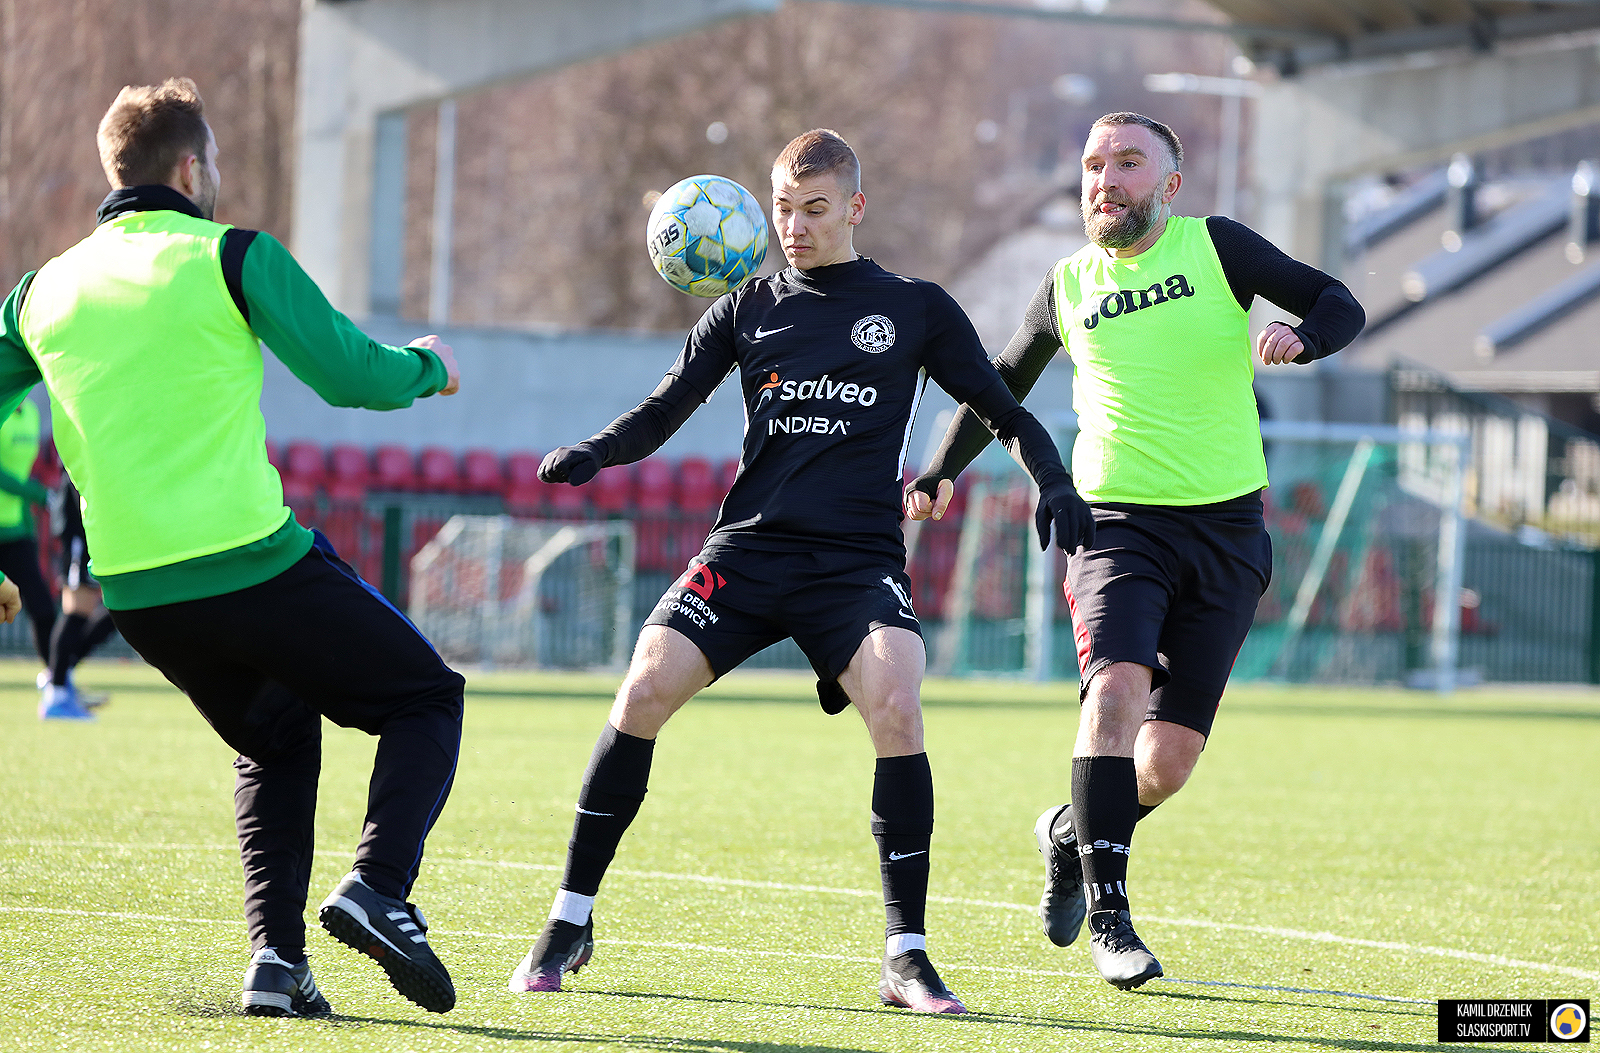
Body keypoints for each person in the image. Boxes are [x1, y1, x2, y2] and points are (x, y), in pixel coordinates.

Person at [510, 128, 1092, 1014]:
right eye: (783, 207)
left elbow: (1001, 408)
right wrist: (597, 451)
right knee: (640, 690)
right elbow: (666, 406)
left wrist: (1053, 477)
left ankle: (907, 955)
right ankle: (568, 919)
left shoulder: (914, 306)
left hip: (854, 562)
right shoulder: (746, 306)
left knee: (898, 696)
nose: (795, 226)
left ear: (854, 207)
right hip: (747, 551)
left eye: (814, 209)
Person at [0, 78, 468, 1016]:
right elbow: (350, 376)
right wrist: (428, 368)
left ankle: (278, 963)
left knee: (277, 737)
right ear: (192, 166)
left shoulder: (37, 292)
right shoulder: (233, 255)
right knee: (427, 697)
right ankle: (379, 889)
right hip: (252, 562)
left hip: (138, 593)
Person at [906, 112, 1365, 990]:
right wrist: (936, 472)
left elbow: (1339, 299)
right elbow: (998, 386)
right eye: (1091, 165)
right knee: (1114, 690)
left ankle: (1070, 835)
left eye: (1126, 162)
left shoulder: (1218, 249)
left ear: (1169, 184)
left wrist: (1306, 338)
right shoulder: (1065, 284)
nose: (1104, 179)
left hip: (1228, 531)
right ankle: (1111, 917)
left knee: (1165, 763)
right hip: (1115, 526)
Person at [0, 398, 74, 715]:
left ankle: (60, 688)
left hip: (15, 532)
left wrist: (30, 522)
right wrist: (37, 494)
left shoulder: (29, 413)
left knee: (44, 611)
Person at [39, 472, 118, 711]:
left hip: (93, 538)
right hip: (80, 538)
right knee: (76, 611)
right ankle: (58, 691)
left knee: (114, 612)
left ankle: (59, 676)